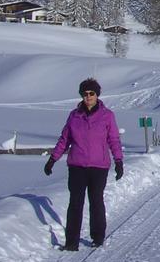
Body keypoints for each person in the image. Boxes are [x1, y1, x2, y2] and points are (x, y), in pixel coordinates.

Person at [44, 78, 123, 251]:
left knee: (96, 201)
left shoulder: (107, 116)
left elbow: (114, 140)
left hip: (98, 166)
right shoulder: (74, 116)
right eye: (85, 94)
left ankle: (98, 237)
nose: (88, 97)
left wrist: (119, 161)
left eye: (91, 93)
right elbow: (65, 140)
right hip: (77, 165)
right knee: (75, 203)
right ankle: (71, 242)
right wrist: (52, 160)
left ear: (97, 95)